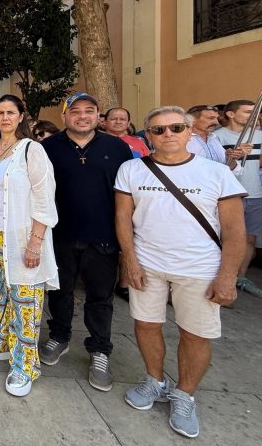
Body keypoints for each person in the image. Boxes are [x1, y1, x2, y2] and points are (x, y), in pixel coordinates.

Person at [115, 106, 246, 439]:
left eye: (175, 128)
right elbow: (123, 219)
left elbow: (234, 230)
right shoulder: (132, 169)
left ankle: (185, 394)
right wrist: (130, 260)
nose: (167, 135)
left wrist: (227, 276)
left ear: (189, 131)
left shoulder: (217, 173)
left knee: (195, 334)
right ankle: (154, 379)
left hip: (200, 267)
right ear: (148, 136)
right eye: (158, 130)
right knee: (146, 324)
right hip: (148, 263)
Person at [39, 92, 133, 392]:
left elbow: (128, 194)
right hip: (60, 234)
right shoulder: (48, 148)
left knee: (100, 297)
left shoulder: (117, 147)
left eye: (89, 111)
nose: (82, 116)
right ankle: (59, 336)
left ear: (98, 116)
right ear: (64, 116)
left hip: (103, 237)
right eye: (75, 111)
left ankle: (100, 349)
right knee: (59, 291)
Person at [0, 95, 58, 396]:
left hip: (19, 238)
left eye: (10, 112)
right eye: (0, 113)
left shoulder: (32, 150)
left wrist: (35, 243)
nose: (5, 117)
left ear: (21, 117)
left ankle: (25, 364)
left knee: (24, 299)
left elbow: (44, 199)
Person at [213, 99, 262, 297]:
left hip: (255, 192)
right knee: (224, 236)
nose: (253, 116)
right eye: (248, 112)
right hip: (227, 194)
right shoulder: (217, 136)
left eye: (254, 112)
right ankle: (220, 275)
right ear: (231, 114)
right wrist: (230, 156)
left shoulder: (259, 135)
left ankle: (239, 278)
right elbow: (213, 165)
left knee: (249, 237)